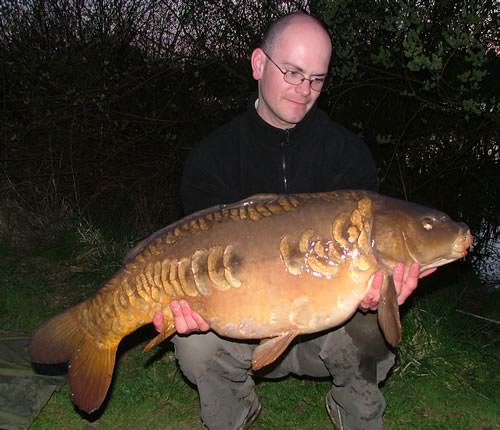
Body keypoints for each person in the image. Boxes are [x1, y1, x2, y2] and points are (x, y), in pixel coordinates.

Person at [153, 11, 435, 430]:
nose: (305, 90)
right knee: (194, 345)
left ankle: (351, 408)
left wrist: (382, 291)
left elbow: (372, 260)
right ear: (258, 64)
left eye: (317, 79)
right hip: (242, 328)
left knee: (373, 328)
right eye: (293, 72)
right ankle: (234, 410)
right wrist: (183, 305)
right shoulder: (212, 158)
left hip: (325, 329)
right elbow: (195, 256)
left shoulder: (347, 154)